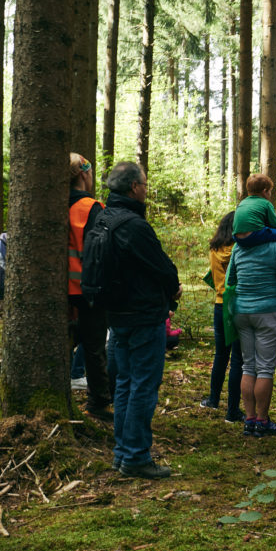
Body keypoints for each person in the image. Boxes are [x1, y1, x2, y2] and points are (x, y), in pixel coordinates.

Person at [99, 162, 182, 479]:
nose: (146, 190)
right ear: (134, 187)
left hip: (116, 314)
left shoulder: (103, 218)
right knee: (143, 386)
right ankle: (134, 456)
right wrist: (172, 288)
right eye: (145, 185)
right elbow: (162, 268)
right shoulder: (133, 225)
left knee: (124, 383)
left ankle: (123, 453)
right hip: (142, 316)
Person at [228, 207, 276, 438]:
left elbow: (231, 279)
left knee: (247, 366)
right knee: (265, 369)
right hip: (268, 312)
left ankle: (249, 421)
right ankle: (262, 421)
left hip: (242, 312)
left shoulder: (237, 248)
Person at [68, 153, 113, 420]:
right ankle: (98, 402)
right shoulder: (92, 208)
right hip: (88, 290)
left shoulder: (49, 204)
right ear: (84, 174)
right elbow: (102, 251)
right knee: (95, 347)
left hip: (60, 291)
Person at [202, 212, 244, 422]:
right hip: (236, 304)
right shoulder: (239, 248)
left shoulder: (214, 249)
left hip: (220, 304)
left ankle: (213, 399)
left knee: (221, 355)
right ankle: (233, 410)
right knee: (237, 359)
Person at [233, 174, 276, 251]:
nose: (270, 194)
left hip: (238, 238)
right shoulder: (266, 203)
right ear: (265, 191)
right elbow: (275, 225)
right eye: (270, 191)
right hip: (254, 235)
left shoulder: (242, 203)